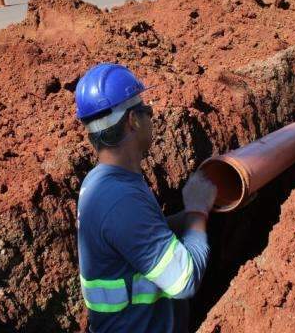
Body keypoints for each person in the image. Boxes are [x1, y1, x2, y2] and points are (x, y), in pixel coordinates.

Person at [75, 63, 217, 333]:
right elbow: (184, 280)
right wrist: (198, 213)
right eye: (147, 111)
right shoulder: (120, 200)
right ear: (132, 121)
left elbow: (142, 233)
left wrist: (195, 213)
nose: (151, 117)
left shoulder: (103, 183)